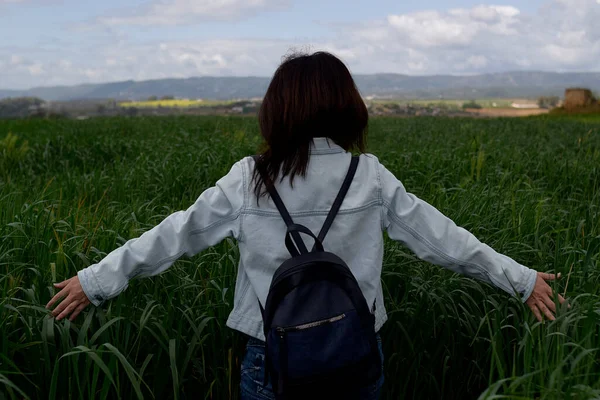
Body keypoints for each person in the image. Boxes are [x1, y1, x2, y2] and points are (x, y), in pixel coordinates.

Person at [46, 51, 566, 399]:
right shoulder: (370, 177)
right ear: (348, 109)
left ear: (278, 110)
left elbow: (173, 235)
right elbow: (446, 241)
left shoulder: (250, 179)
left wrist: (95, 281)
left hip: (272, 357)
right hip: (356, 355)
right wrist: (522, 280)